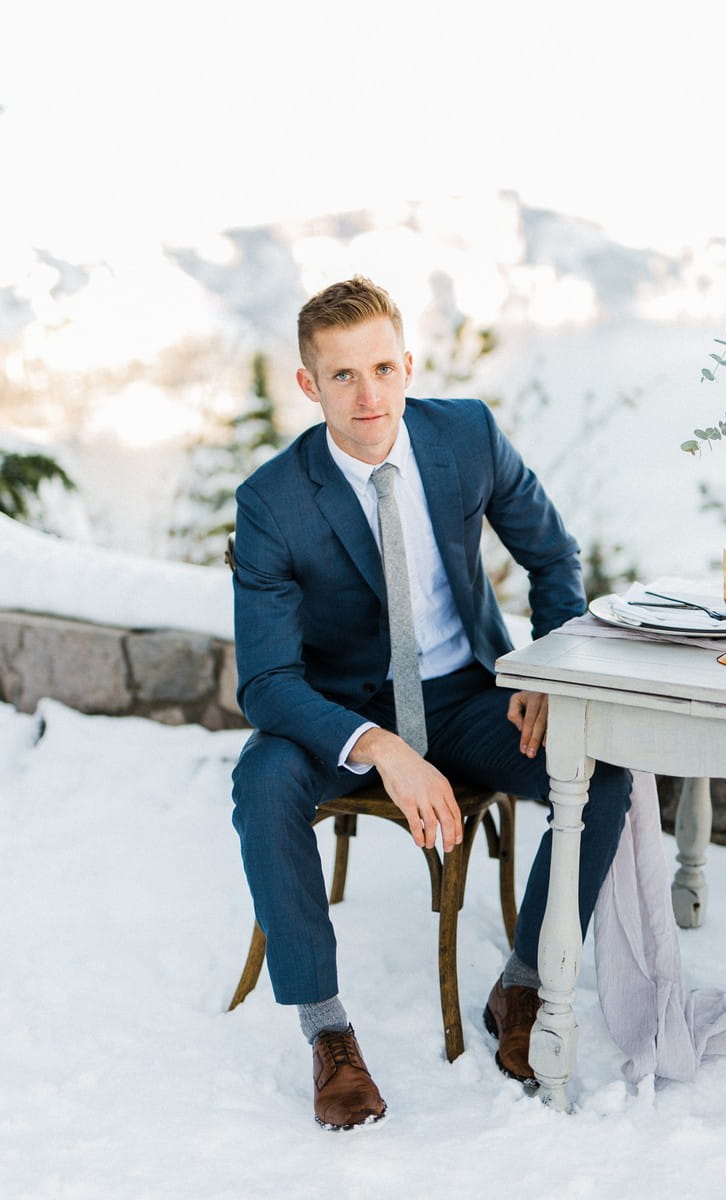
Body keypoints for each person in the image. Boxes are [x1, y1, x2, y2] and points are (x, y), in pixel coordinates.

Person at [231, 276, 631, 1130]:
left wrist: (543, 673)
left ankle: (524, 985)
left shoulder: (467, 437)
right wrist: (378, 745)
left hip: (465, 695)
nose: (368, 394)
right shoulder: (272, 501)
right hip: (335, 712)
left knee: (603, 772)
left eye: (383, 367)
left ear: (409, 364)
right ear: (310, 386)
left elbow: (554, 558)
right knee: (261, 780)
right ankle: (327, 1034)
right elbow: (264, 683)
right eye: (343, 376)